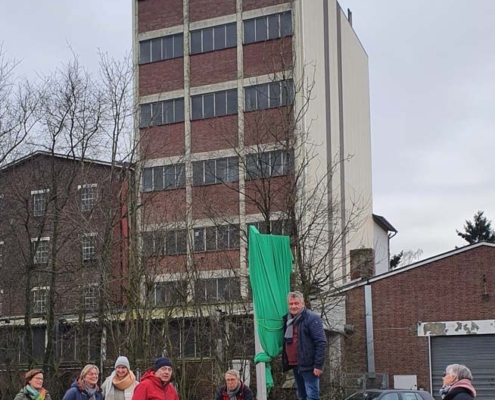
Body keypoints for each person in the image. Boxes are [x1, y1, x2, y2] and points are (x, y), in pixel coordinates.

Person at [282, 291, 327, 400]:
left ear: (303, 304)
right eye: (291, 304)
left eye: (296, 303)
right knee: (301, 396)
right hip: (295, 364)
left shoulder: (312, 318)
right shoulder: (287, 320)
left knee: (312, 396)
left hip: (309, 365)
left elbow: (321, 342)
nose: (294, 306)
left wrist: (318, 365)